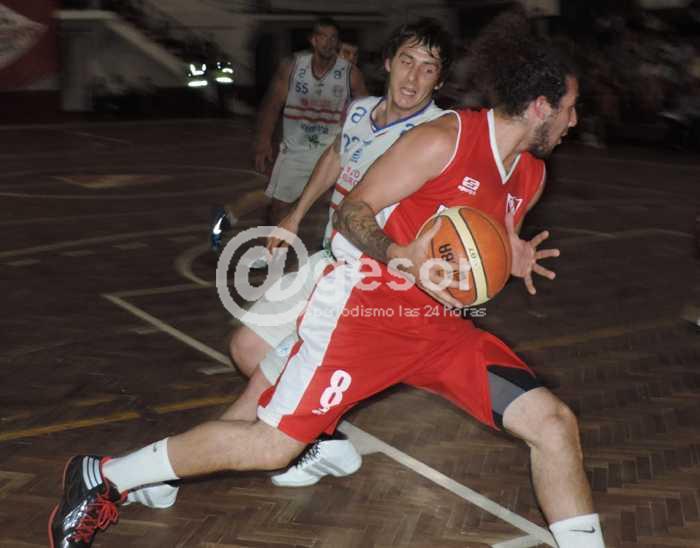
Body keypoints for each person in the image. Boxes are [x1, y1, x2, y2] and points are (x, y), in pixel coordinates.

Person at [49, 13, 605, 548]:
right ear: (540, 107)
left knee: (554, 423)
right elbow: (353, 211)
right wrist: (399, 253)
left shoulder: (530, 175)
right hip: (364, 314)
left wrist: (512, 258)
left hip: (442, 333)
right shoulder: (445, 139)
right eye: (569, 109)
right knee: (272, 445)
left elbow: (481, 251)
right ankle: (104, 476)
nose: (573, 122)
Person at [226, 19, 451, 488]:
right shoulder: (360, 110)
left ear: (439, 80)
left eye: (428, 68)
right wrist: (294, 215)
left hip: (367, 277)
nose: (413, 77)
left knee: (267, 374)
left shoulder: (439, 134)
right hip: (329, 257)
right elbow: (334, 156)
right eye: (406, 61)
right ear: (387, 63)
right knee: (246, 347)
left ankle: (303, 439)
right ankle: (323, 440)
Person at [210, 17, 368, 252]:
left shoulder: (350, 74)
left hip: (331, 150)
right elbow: (272, 104)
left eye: (333, 38)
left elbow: (366, 110)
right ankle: (234, 219)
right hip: (297, 150)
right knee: (277, 200)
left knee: (338, 198)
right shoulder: (294, 67)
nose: (329, 43)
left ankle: (332, 247)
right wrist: (263, 141)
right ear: (313, 40)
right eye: (323, 37)